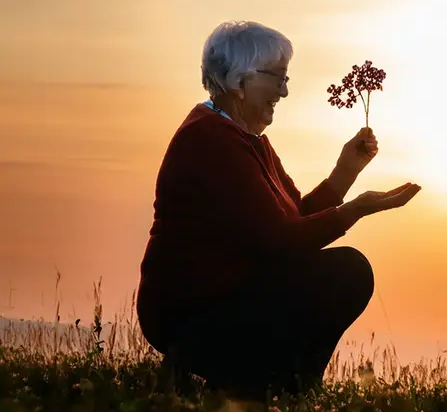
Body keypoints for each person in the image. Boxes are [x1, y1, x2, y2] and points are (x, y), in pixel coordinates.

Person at [136, 20, 421, 400]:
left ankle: (277, 385)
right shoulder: (210, 141)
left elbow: (290, 219)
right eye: (277, 79)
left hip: (229, 297)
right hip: (194, 313)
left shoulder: (248, 140)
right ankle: (271, 384)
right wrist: (354, 210)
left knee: (342, 271)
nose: (284, 92)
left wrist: (345, 172)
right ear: (241, 81)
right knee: (347, 271)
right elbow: (280, 242)